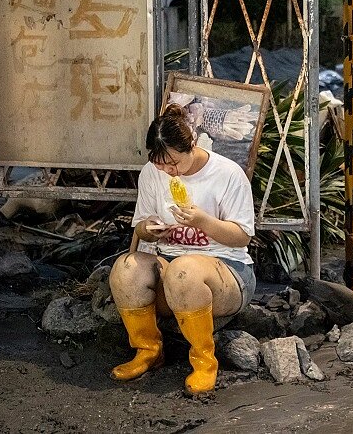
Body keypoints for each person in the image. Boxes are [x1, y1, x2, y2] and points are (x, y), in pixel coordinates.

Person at [109, 104, 257, 395]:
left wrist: (203, 220)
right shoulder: (152, 173)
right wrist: (148, 227)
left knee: (183, 270)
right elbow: (138, 226)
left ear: (191, 145)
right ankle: (147, 351)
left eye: (174, 163)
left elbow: (242, 237)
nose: (168, 170)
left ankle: (204, 362)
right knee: (125, 269)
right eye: (161, 164)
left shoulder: (227, 173)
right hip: (169, 268)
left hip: (226, 273)